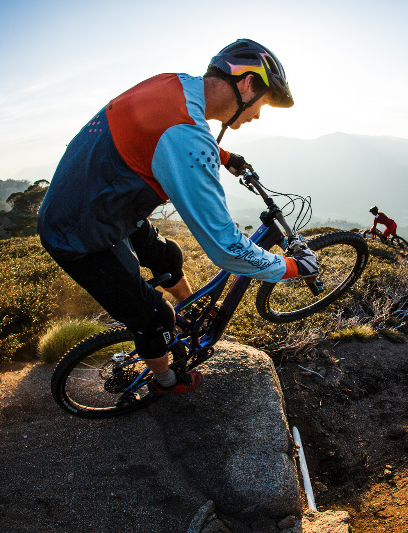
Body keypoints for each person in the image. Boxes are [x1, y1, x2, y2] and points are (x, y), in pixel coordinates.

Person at [37, 39, 318, 395]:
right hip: (78, 234)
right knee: (153, 318)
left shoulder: (173, 84)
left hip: (98, 202)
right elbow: (227, 249)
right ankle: (166, 381)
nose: (258, 114)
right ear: (247, 84)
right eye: (262, 103)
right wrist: (294, 268)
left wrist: (224, 156)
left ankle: (188, 316)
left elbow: (160, 127)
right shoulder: (187, 136)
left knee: (167, 257)